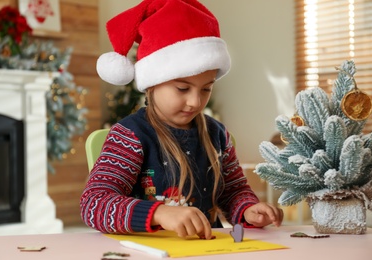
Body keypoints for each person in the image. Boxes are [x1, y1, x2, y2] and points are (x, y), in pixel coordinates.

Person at [80, 0, 283, 240]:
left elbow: (232, 191)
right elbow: (94, 204)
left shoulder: (217, 134)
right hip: (146, 251)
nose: (195, 102)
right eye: (182, 88)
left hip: (206, 249)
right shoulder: (129, 136)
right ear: (152, 83)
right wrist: (160, 214)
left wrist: (248, 209)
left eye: (206, 89)